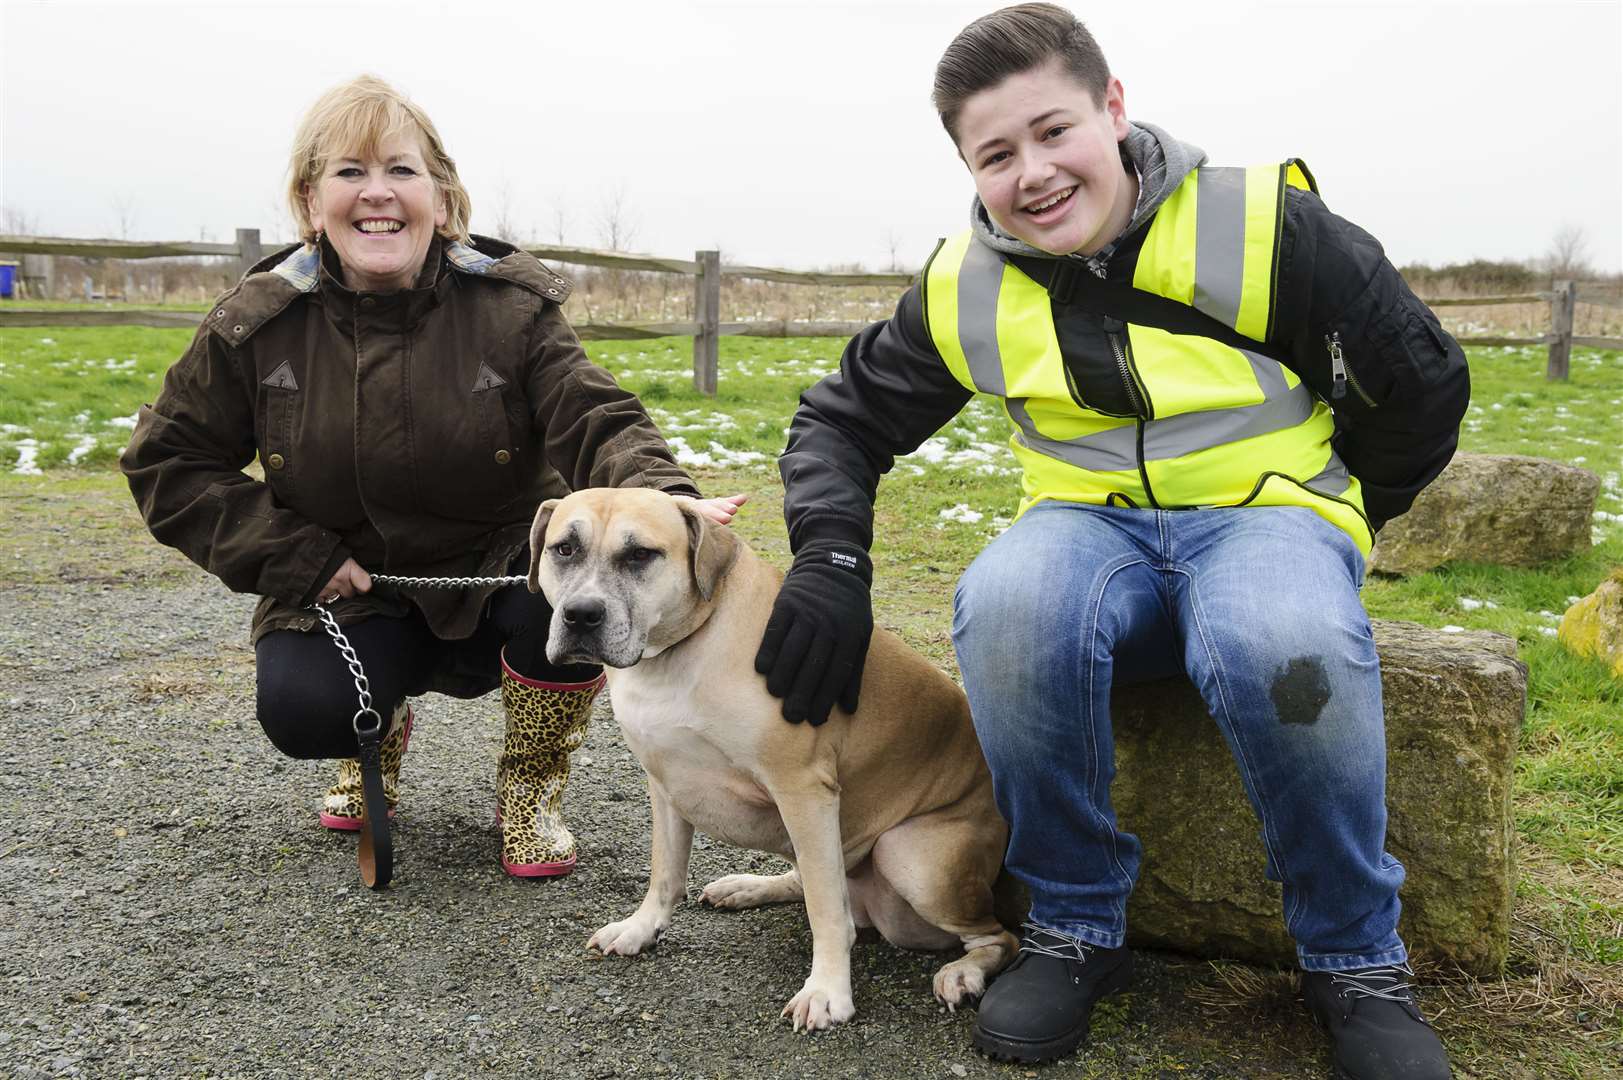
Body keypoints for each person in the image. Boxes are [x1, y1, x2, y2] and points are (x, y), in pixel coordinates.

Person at [751, 7, 1466, 1078]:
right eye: (996, 155)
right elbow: (838, 423)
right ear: (967, 166)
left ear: (1114, 109)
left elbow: (1420, 381)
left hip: (1267, 514)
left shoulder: (1265, 223)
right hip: (1088, 527)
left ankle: (1355, 960)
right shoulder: (964, 283)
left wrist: (1355, 509)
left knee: (1282, 641)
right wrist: (832, 557)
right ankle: (1074, 927)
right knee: (1006, 607)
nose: (1032, 173)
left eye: (1053, 132)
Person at [122, 74, 744, 879]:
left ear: (443, 201)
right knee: (307, 709)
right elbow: (166, 461)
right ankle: (370, 740)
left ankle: (529, 787)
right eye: (349, 172)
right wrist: (298, 558)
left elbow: (593, 415)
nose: (376, 194)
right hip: (349, 581)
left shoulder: (511, 310)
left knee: (582, 592)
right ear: (311, 204)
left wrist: (665, 498)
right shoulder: (255, 323)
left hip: (495, 575)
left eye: (402, 172)